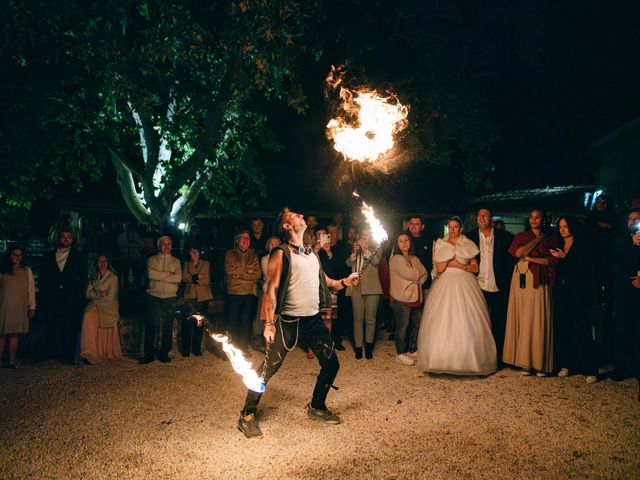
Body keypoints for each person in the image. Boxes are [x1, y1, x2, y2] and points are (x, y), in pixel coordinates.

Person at [237, 209, 360, 439]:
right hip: (287, 321)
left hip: (312, 320)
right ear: (286, 226)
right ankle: (247, 414)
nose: (301, 215)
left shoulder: (312, 255)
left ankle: (316, 406)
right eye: (295, 215)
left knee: (331, 363)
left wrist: (345, 281)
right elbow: (271, 290)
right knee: (268, 368)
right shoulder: (280, 253)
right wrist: (269, 323)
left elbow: (327, 283)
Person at [416, 218, 497, 375]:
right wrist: (448, 257)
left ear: (461, 228)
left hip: (465, 281)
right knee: (442, 319)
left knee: (467, 319)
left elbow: (475, 268)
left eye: (455, 227)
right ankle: (440, 359)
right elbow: (439, 268)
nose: (452, 230)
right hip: (445, 282)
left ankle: (468, 361)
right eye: (450, 227)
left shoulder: (468, 244)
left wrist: (458, 264)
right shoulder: (441, 243)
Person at [503, 209, 559, 377]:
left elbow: (553, 260)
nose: (534, 220)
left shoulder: (551, 237)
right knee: (524, 316)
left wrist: (533, 259)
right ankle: (526, 363)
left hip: (541, 278)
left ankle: (540, 363)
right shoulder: (521, 236)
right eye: (532, 217)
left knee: (539, 317)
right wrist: (536, 241)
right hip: (522, 278)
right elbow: (519, 253)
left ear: (544, 219)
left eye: (538, 217)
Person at [550, 217, 598, 383]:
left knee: (581, 328)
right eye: (560, 227)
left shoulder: (583, 245)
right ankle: (567, 364)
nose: (563, 229)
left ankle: (589, 369)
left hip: (579, 292)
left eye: (566, 226)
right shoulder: (557, 244)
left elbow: (585, 269)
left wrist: (565, 257)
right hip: (562, 292)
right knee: (563, 327)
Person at [467, 208, 515, 363]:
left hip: (499, 284)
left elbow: (512, 257)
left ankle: (498, 355)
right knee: (479, 321)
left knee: (499, 321)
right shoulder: (470, 237)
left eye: (485, 215)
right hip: (478, 284)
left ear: (491, 219)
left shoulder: (505, 236)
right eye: (479, 215)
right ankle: (480, 355)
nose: (481, 218)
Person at [38, 229, 86, 362]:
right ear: (58, 238)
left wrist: (79, 294)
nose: (66, 239)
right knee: (51, 324)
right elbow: (42, 276)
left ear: (72, 239)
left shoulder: (78, 256)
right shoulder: (48, 256)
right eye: (63, 237)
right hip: (52, 295)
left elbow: (83, 277)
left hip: (70, 296)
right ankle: (49, 351)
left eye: (69, 237)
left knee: (68, 325)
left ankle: (67, 354)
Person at [608, 208, 640, 381]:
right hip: (624, 292)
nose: (633, 222)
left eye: (637, 219)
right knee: (621, 330)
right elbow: (614, 263)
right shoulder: (619, 240)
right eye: (630, 219)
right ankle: (620, 367)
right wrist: (630, 280)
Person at [140, 235, 182, 364]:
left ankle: (164, 353)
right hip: (154, 296)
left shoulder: (176, 261)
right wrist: (169, 274)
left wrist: (159, 276)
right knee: (151, 324)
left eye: (169, 244)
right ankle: (149, 354)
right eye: (164, 244)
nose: (167, 246)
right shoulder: (151, 259)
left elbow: (178, 278)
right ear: (159, 246)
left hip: (170, 297)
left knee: (167, 326)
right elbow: (150, 274)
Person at [389, 233, 428, 366]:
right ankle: (400, 353)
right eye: (401, 241)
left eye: (406, 240)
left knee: (417, 324)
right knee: (403, 327)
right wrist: (417, 275)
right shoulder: (395, 259)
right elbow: (410, 274)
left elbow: (425, 274)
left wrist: (416, 277)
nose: (404, 243)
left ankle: (412, 350)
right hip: (400, 298)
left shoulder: (415, 258)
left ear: (410, 243)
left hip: (416, 297)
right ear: (397, 244)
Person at [346, 228, 383, 359]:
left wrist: (365, 249)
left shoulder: (377, 248)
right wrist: (355, 253)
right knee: (357, 320)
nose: (364, 237)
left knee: (370, 320)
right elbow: (348, 263)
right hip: (356, 288)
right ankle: (358, 348)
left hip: (373, 289)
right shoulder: (356, 248)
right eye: (362, 235)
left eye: (367, 235)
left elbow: (376, 261)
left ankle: (368, 348)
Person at [80, 254, 122, 364]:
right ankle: (88, 352)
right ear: (96, 263)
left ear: (108, 263)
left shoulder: (113, 278)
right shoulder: (94, 276)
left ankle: (101, 352)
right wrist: (99, 294)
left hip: (109, 307)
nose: (102, 263)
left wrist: (96, 296)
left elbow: (111, 296)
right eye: (100, 261)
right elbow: (87, 294)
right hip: (96, 304)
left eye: (105, 261)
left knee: (90, 315)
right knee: (87, 316)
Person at [224, 231, 261, 353]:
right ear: (237, 240)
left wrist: (239, 274)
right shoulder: (230, 254)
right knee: (232, 321)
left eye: (248, 239)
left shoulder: (253, 255)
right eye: (243, 238)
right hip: (233, 293)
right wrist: (248, 271)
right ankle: (230, 348)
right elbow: (229, 270)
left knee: (246, 322)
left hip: (249, 293)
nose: (246, 241)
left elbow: (257, 274)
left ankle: (243, 347)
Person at [0, 246, 36, 368]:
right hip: (4, 306)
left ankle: (11, 361)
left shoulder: (27, 271)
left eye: (20, 255)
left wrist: (32, 306)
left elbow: (31, 290)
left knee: (15, 334)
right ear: (9, 256)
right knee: (2, 334)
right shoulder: (2, 271)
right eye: (14, 254)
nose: (17, 257)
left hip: (19, 306)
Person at [181, 245, 213, 357]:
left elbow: (206, 280)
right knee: (187, 323)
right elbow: (184, 277)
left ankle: (196, 348)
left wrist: (192, 278)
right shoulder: (186, 264)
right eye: (192, 251)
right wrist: (197, 277)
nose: (194, 254)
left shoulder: (206, 264)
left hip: (203, 297)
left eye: (196, 251)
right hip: (190, 297)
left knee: (199, 324)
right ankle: (185, 349)